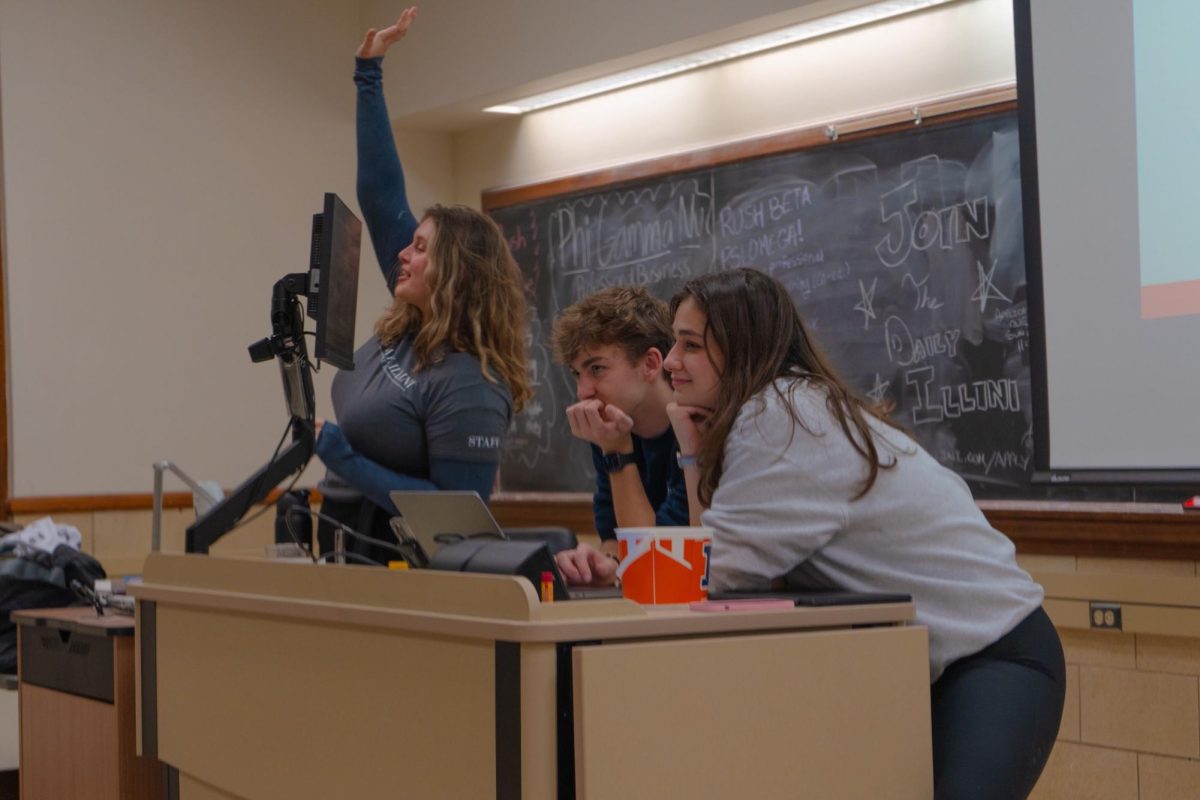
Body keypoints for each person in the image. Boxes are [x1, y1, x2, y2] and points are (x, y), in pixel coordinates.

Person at [656, 267, 1063, 800]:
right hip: (936, 666)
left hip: (996, 656)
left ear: (740, 347)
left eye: (689, 345)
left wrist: (689, 455)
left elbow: (713, 577)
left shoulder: (781, 416)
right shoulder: (789, 405)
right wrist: (694, 449)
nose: (669, 362)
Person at [313, 7, 531, 564]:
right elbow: (381, 197)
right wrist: (368, 74)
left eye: (422, 248)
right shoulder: (414, 320)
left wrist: (344, 459)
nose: (403, 252)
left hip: (403, 566)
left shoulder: (469, 382)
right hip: (346, 541)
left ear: (456, 274)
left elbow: (459, 516)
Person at [548, 287, 690, 585]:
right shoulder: (611, 428)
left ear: (651, 364)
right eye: (577, 374)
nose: (583, 391)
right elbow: (614, 537)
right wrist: (605, 564)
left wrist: (617, 452)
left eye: (596, 368)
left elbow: (656, 559)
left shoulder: (693, 429)